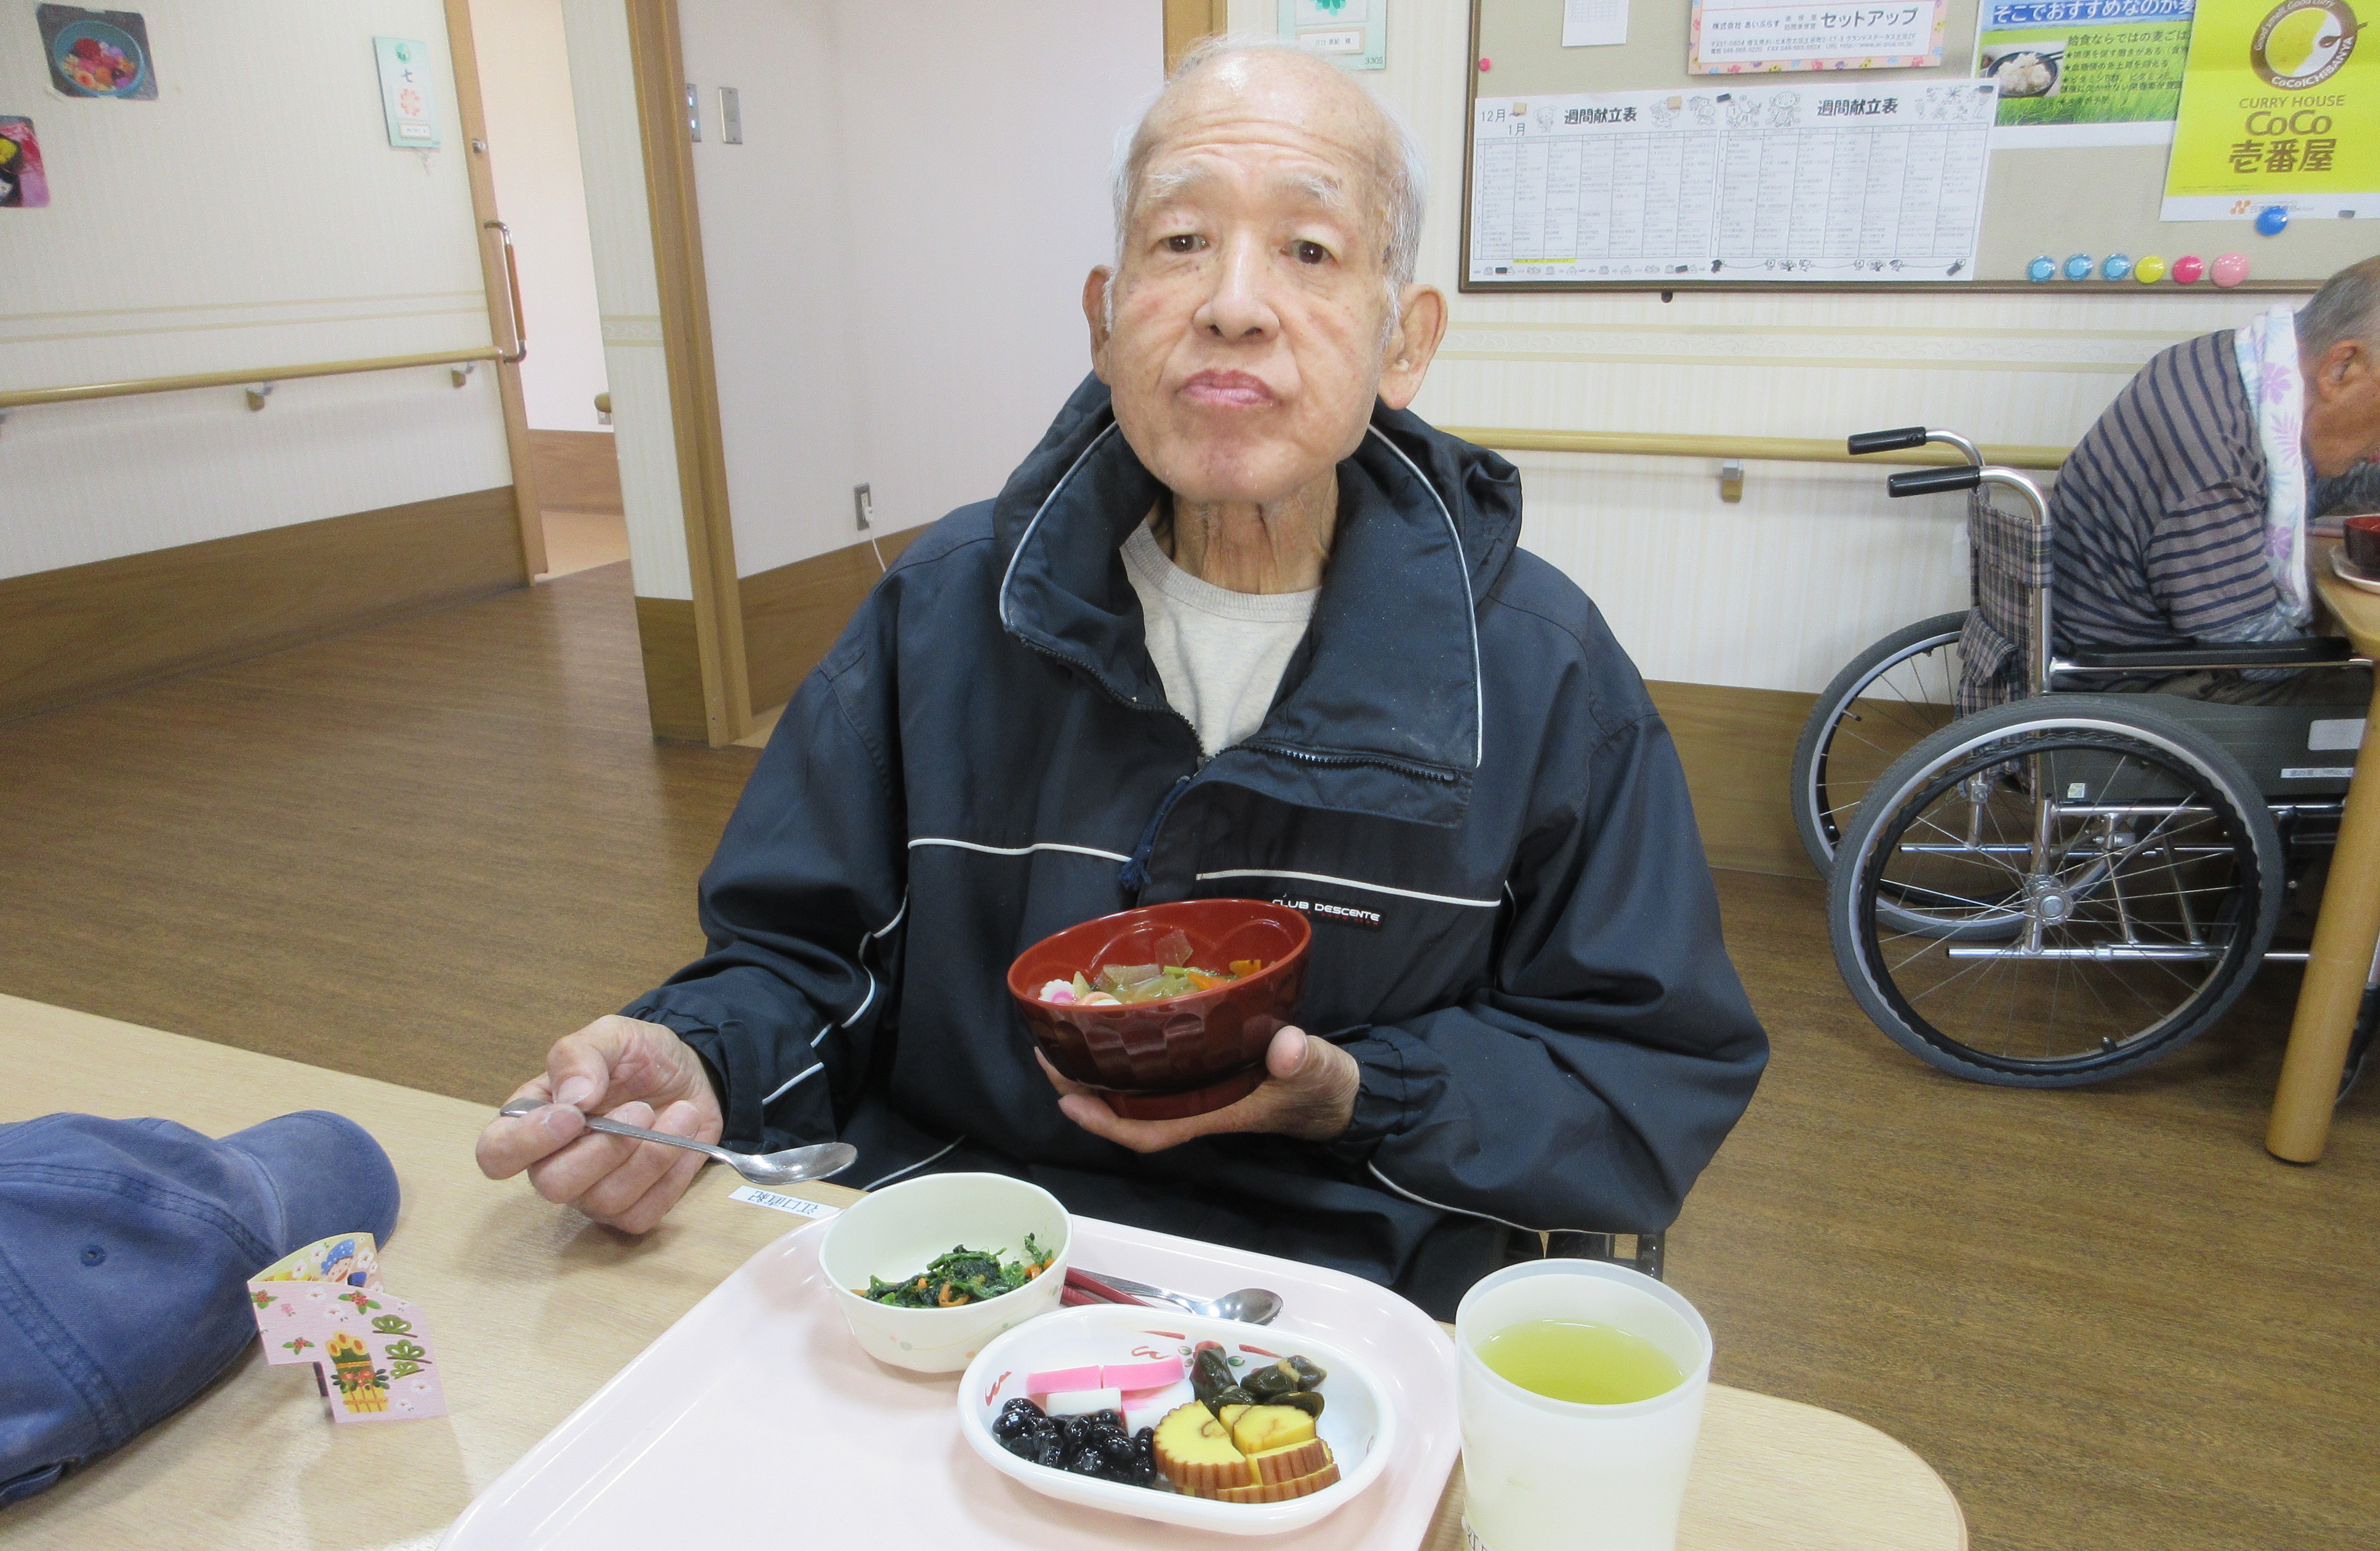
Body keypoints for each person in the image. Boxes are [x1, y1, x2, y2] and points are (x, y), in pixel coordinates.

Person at [476, 39, 1767, 1316]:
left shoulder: (1539, 671)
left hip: (1348, 1299)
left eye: (1309, 251)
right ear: (1105, 316)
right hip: (962, 1272)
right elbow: (799, 956)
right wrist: (700, 1051)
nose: (1234, 303)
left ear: (1403, 341)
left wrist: (1364, 1091)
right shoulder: (945, 609)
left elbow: (1642, 1070)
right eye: (1181, 240)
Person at [2047, 257, 2380, 704]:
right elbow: (2252, 648)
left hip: (2121, 645)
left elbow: (2295, 485)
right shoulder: (2214, 458)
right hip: (2132, 688)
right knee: (2364, 695)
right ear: (2342, 367)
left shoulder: (2229, 365)